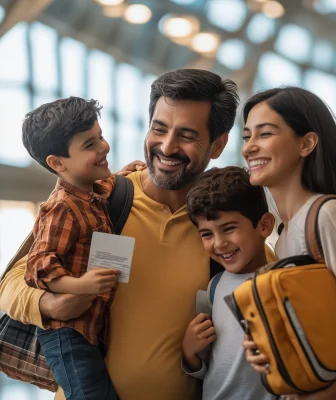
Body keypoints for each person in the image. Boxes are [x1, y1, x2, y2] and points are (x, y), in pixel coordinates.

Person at [0, 69, 239, 400]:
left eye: (186, 135)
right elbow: (12, 286)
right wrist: (52, 304)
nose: (167, 146)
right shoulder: (105, 202)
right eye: (159, 128)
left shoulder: (221, 231)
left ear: (218, 144)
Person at [240, 87, 336, 400]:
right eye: (246, 136)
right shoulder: (283, 236)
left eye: (264, 134)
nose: (249, 148)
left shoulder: (328, 214)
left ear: (307, 143)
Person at [22, 97, 123, 400]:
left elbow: (109, 185)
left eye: (101, 136)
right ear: (57, 163)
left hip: (87, 329)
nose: (104, 147)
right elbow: (38, 263)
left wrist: (128, 173)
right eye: (90, 145)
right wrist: (79, 286)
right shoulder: (62, 207)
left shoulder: (92, 191)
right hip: (66, 334)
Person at [181, 166, 276, 400]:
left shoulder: (282, 284)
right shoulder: (214, 287)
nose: (219, 243)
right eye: (207, 234)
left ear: (264, 225)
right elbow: (212, 369)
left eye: (229, 229)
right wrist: (190, 352)